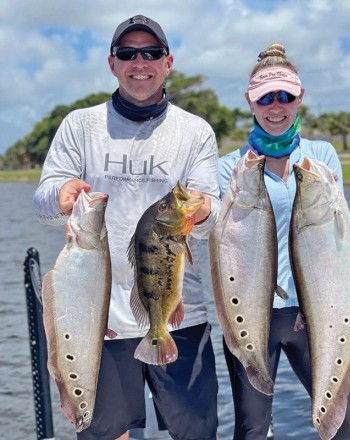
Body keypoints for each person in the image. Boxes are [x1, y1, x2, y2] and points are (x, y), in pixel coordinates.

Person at [33, 14, 220, 440]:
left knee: (197, 433)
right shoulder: (80, 126)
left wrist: (206, 211)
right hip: (100, 317)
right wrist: (60, 195)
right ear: (111, 63)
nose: (140, 61)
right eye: (128, 53)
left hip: (180, 316)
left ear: (168, 62)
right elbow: (43, 205)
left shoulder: (195, 132)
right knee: (105, 434)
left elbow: (212, 222)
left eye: (151, 53)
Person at [218, 43, 350, 439]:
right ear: (251, 102)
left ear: (300, 98)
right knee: (251, 426)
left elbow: (340, 244)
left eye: (285, 96)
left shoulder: (322, 157)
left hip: (317, 311)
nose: (276, 106)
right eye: (266, 97)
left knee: (342, 423)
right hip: (253, 312)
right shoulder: (230, 168)